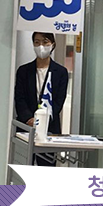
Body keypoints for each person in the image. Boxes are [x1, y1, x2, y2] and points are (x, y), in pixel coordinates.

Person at [15, 32, 68, 166]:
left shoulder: (61, 72)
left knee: (46, 170)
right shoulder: (23, 71)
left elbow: (58, 101)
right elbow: (19, 98)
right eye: (37, 42)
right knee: (23, 168)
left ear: (52, 45)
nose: (41, 46)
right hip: (26, 128)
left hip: (49, 128)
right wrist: (29, 119)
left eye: (45, 42)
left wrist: (42, 120)